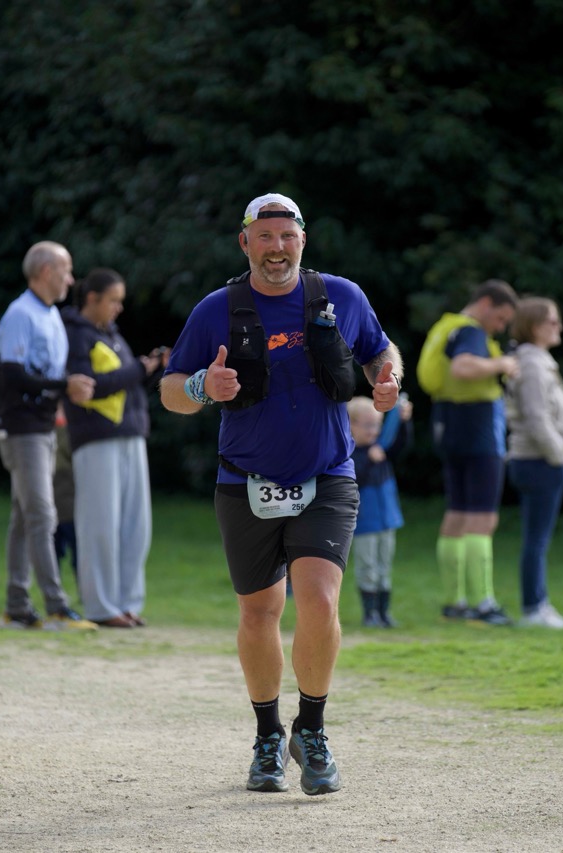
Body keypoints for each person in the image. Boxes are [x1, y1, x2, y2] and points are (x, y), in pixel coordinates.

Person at [160, 192, 402, 797]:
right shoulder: (217, 310)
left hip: (328, 476)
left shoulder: (340, 297)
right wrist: (203, 385)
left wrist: (387, 378)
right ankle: (268, 735)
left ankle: (311, 729)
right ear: (245, 243)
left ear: (303, 241)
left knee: (318, 599)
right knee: (259, 611)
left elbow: (380, 350)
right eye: (264, 237)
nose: (276, 248)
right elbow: (170, 391)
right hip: (245, 481)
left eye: (286, 236)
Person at [0, 240, 98, 631]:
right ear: (45, 271)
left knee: (25, 518)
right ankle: (56, 606)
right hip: (23, 430)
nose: (71, 280)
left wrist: (68, 388)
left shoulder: (50, 314)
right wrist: (63, 386)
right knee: (42, 515)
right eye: (66, 270)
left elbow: (46, 375)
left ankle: (17, 607)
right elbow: (13, 375)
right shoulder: (21, 314)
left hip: (42, 428)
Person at [62, 267, 168, 629]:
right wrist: (139, 368)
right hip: (95, 439)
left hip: (130, 436)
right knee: (100, 525)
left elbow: (122, 383)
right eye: (113, 301)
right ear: (92, 299)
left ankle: (126, 603)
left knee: (135, 526)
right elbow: (89, 386)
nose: (119, 308)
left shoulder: (112, 335)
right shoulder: (76, 334)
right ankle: (101, 607)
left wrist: (150, 369)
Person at [417, 279, 519, 626]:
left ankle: (454, 602)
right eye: (501, 318)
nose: (500, 327)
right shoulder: (471, 332)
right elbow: (462, 367)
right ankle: (483, 603)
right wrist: (501, 364)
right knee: (482, 517)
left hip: (448, 423)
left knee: (457, 512)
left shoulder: (448, 327)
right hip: (478, 429)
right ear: (486, 303)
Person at [504, 297, 563, 629]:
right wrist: (559, 455)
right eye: (552, 321)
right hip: (538, 461)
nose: (558, 326)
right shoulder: (533, 364)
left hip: (538, 461)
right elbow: (537, 418)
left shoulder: (538, 361)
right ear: (533, 326)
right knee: (537, 540)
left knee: (537, 539)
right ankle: (534, 608)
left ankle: (539, 604)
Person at [347, 393, 412, 628]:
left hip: (387, 520)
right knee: (368, 567)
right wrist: (369, 460)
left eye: (377, 425)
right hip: (365, 522)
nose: (374, 431)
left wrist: (404, 422)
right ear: (350, 425)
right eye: (367, 426)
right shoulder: (349, 456)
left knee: (384, 567)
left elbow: (401, 445)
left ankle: (384, 613)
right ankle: (370, 614)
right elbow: (355, 481)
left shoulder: (381, 449)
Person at [52, 409, 79, 585]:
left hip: (60, 508)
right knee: (77, 553)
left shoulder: (52, 431)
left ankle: (54, 591)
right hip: (69, 509)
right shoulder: (69, 432)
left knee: (56, 553)